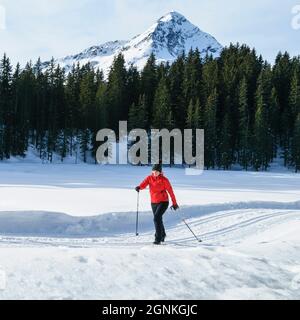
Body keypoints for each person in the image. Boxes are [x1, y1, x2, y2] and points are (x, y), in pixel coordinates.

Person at [135, 164, 179, 245]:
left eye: (156, 171)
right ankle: (163, 234)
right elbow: (143, 184)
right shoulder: (149, 178)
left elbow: (171, 192)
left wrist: (174, 203)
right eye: (153, 171)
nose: (154, 173)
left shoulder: (164, 180)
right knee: (158, 219)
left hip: (163, 201)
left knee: (156, 218)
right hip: (154, 202)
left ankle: (157, 238)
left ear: (160, 172)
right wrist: (139, 187)